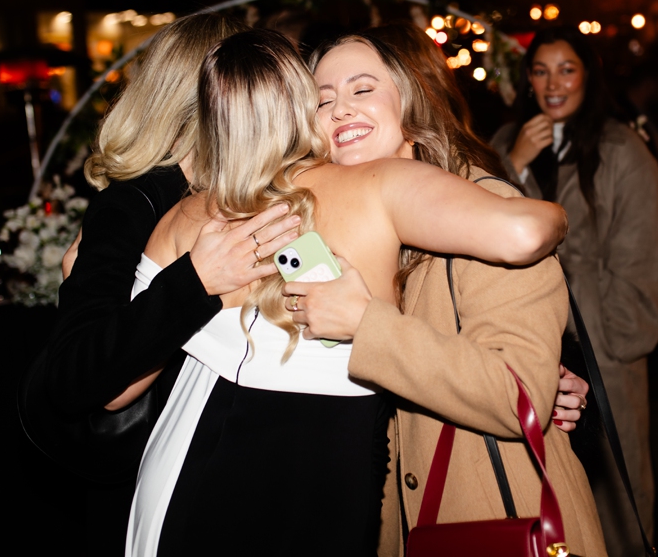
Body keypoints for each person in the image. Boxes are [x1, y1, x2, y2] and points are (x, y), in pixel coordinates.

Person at [121, 29, 577, 556]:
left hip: (483, 510)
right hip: (362, 509)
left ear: (414, 99)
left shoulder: (479, 207)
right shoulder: (307, 208)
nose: (339, 110)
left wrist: (369, 325)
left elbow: (515, 391)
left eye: (362, 90)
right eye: (322, 99)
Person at [31, 13, 302, 553]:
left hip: (235, 457)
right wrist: (192, 283)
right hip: (156, 471)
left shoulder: (248, 190)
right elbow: (78, 371)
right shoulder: (136, 202)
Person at [488, 25, 658, 555]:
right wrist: (513, 165)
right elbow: (478, 229)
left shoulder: (621, 149)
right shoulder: (505, 142)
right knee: (543, 490)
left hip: (602, 347)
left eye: (566, 69)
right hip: (527, 340)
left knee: (618, 490)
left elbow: (643, 254)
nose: (553, 83)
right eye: (541, 70)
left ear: (588, 76)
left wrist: (613, 339)